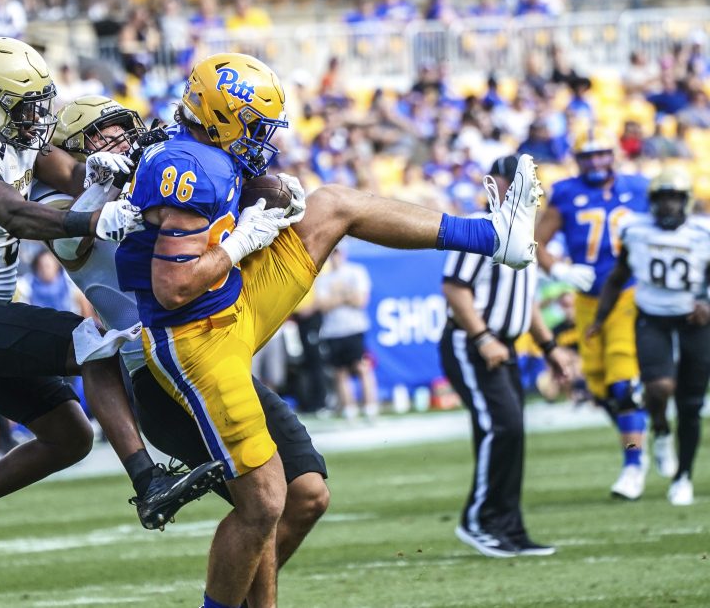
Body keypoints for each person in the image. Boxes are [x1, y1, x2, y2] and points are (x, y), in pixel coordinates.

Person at [116, 52, 543, 608]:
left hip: (235, 307)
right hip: (194, 338)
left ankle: (491, 235)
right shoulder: (190, 168)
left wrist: (269, 194)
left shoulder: (207, 152)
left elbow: (246, 187)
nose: (263, 137)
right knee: (266, 500)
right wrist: (243, 240)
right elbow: (173, 287)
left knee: (333, 204)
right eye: (254, 125)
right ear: (222, 118)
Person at [0, 38, 223, 600]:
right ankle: (148, 482)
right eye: (25, 107)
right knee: (92, 340)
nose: (37, 118)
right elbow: (15, 214)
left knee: (69, 435)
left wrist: (104, 175)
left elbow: (69, 175)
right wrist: (94, 220)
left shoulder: (11, 133)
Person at [36, 95, 332, 607]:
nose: (124, 140)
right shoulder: (60, 206)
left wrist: (276, 191)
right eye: (105, 134)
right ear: (76, 148)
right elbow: (73, 242)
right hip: (160, 369)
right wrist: (107, 184)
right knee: (259, 502)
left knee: (305, 496)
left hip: (211, 346)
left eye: (125, 128)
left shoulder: (158, 176)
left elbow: (229, 194)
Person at [441, 155, 574, 558]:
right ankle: (479, 521)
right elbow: (455, 288)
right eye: (516, 179)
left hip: (506, 345)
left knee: (510, 431)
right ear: (495, 183)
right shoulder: (482, 227)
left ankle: (508, 527)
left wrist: (549, 348)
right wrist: (482, 336)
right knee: (503, 428)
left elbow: (525, 300)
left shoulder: (525, 233)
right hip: (473, 343)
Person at [535, 140, 650, 500]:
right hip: (586, 301)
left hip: (628, 295)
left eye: (601, 154)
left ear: (613, 155)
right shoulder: (566, 192)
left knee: (623, 384)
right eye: (588, 156)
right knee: (599, 389)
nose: (596, 161)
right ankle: (643, 440)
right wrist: (560, 268)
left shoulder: (638, 188)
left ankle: (633, 464)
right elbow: (535, 242)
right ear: (578, 160)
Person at [588, 168, 710, 506]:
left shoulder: (704, 233)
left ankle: (683, 476)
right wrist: (600, 318)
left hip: (694, 322)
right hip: (652, 318)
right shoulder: (635, 230)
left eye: (675, 199)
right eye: (662, 198)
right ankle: (660, 429)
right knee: (658, 388)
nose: (669, 206)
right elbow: (618, 276)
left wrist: (707, 304)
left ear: (686, 202)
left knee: (690, 403)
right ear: (652, 202)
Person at [315, 241, 378, 420]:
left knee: (362, 367)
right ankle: (350, 409)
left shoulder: (356, 271)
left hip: (354, 328)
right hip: (333, 331)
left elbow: (360, 300)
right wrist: (345, 296)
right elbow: (323, 305)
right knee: (340, 371)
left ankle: (370, 407)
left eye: (337, 252)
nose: (334, 257)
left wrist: (337, 295)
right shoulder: (323, 278)